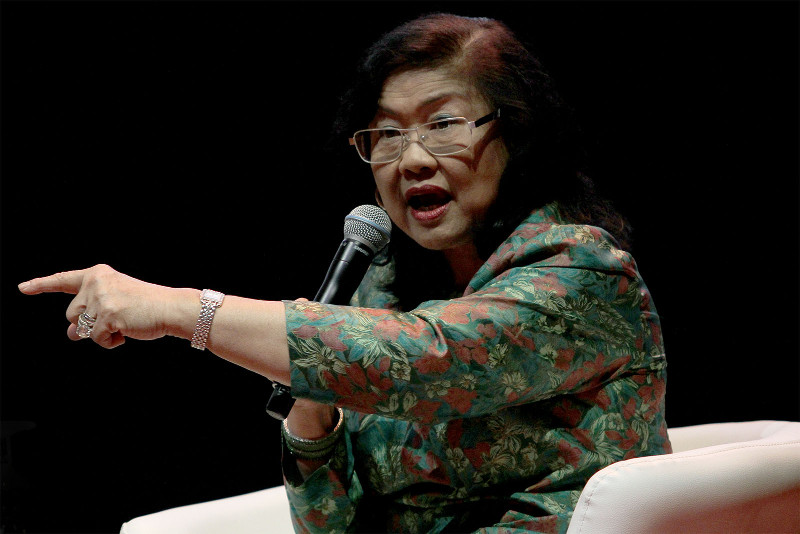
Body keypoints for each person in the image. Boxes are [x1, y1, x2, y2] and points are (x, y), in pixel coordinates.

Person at [18, 13, 670, 534]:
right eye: (385, 134)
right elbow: (332, 527)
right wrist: (311, 419)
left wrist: (179, 310)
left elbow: (423, 361)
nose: (411, 159)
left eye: (442, 125)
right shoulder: (383, 293)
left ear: (516, 135)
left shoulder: (583, 273)